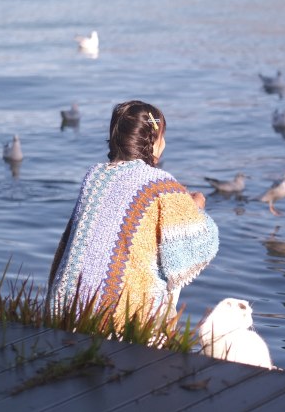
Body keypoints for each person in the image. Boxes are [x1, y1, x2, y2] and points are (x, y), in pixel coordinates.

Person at [46, 100, 219, 327]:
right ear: (155, 142)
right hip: (119, 322)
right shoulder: (161, 185)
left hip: (65, 311)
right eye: (162, 136)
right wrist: (196, 207)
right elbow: (194, 245)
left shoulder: (95, 176)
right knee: (170, 263)